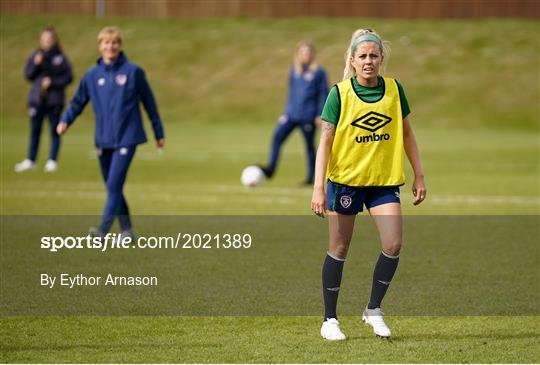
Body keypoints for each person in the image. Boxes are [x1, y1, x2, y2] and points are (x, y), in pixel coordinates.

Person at [311, 29, 426, 340]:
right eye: (362, 56)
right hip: (346, 183)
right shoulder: (339, 93)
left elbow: (408, 134)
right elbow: (325, 143)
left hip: (383, 183)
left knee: (393, 244)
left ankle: (373, 310)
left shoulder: (394, 90)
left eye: (373, 55)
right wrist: (318, 188)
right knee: (339, 248)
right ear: (352, 60)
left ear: (382, 59)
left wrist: (419, 174)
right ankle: (329, 320)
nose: (368, 61)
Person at [57, 26, 165, 237]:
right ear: (100, 46)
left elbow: (150, 104)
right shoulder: (91, 75)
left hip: (128, 137)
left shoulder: (134, 72)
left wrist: (159, 132)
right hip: (103, 139)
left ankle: (102, 231)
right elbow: (78, 102)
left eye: (114, 42)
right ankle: (127, 231)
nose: (110, 46)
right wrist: (65, 120)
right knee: (113, 188)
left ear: (120, 45)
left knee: (114, 184)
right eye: (106, 42)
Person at [259, 40, 328, 185]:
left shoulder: (319, 72)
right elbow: (291, 94)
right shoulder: (294, 71)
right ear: (298, 54)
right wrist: (285, 113)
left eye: (308, 52)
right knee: (277, 137)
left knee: (309, 147)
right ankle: (270, 169)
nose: (306, 55)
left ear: (313, 55)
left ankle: (311, 178)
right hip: (292, 115)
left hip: (308, 117)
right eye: (303, 52)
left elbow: (323, 94)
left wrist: (320, 115)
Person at [15, 26, 73, 173]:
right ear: (41, 40)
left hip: (54, 101)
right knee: (35, 131)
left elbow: (68, 77)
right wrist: (36, 63)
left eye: (50, 39)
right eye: (44, 39)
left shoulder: (60, 58)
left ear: (54, 40)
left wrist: (53, 82)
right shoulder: (36, 56)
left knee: (55, 130)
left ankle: (52, 161)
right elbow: (28, 75)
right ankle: (31, 160)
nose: (47, 41)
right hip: (37, 100)